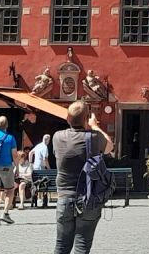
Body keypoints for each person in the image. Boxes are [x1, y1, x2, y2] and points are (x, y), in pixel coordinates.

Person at [52, 100, 112, 254]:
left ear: (67, 119)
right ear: (86, 119)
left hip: (64, 198)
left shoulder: (57, 137)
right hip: (88, 198)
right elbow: (110, 146)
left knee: (61, 247)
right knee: (82, 247)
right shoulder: (94, 137)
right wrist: (95, 125)